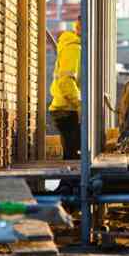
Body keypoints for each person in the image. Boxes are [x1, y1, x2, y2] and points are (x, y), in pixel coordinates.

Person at [49, 15, 81, 159]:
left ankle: (67, 182)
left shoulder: (72, 45)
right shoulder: (74, 48)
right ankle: (67, 182)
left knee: (71, 157)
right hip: (67, 109)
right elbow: (65, 81)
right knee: (73, 159)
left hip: (64, 109)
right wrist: (80, 103)